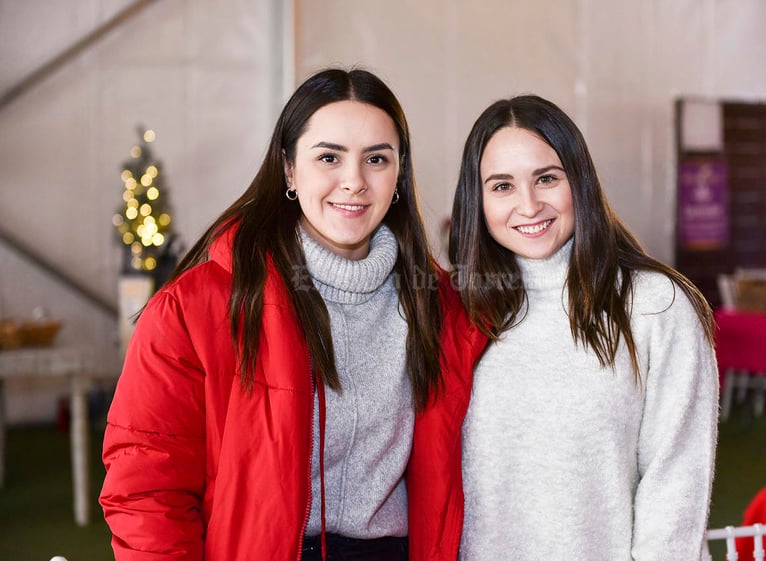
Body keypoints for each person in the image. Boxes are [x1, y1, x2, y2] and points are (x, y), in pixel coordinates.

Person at [99, 68, 447, 561]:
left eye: (376, 159)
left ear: (399, 174)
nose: (354, 182)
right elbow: (147, 488)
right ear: (289, 169)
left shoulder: (439, 307)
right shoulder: (195, 310)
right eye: (329, 157)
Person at [433, 94, 719, 560]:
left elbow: (676, 483)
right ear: (477, 201)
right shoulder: (458, 312)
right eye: (502, 186)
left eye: (546, 178)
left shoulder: (654, 306)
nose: (529, 205)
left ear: (579, 182)